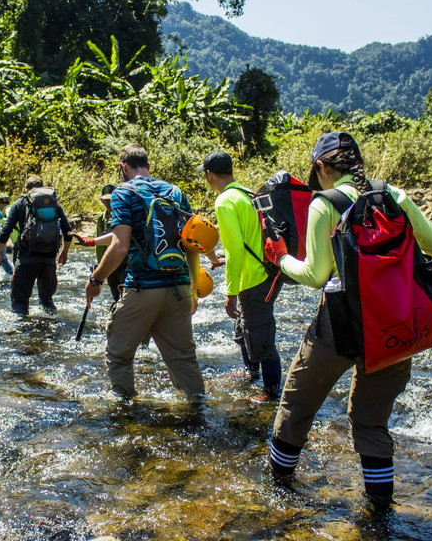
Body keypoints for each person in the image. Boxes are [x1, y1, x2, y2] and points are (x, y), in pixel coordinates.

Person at [263, 132, 432, 504]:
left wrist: (281, 257)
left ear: (321, 167)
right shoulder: (393, 195)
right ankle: (380, 512)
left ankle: (277, 492)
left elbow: (316, 276)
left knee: (297, 404)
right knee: (371, 420)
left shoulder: (324, 203)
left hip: (340, 324)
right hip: (396, 323)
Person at [84, 143, 205, 400]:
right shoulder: (176, 192)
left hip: (142, 287)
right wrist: (192, 289)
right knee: (183, 358)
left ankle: (125, 412)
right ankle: (197, 411)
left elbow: (119, 247)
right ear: (149, 166)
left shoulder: (123, 193)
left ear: (123, 167)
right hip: (179, 286)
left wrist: (96, 279)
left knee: (118, 354)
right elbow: (193, 243)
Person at [199, 150, 283, 402]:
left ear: (209, 174)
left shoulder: (225, 201)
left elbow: (236, 248)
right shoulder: (246, 193)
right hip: (267, 270)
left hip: (255, 279)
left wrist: (230, 292)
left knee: (261, 336)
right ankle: (251, 374)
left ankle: (271, 392)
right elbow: (246, 239)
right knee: (244, 329)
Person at [0, 175, 73, 316]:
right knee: (47, 303)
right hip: (49, 260)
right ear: (42, 187)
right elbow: (68, 231)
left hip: (26, 258)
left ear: (26, 189)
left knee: (19, 304)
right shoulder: (53, 203)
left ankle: (21, 334)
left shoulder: (20, 202)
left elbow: (5, 231)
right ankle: (51, 332)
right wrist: (64, 252)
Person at [74, 184, 128, 303]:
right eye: (106, 200)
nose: (109, 203)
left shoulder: (124, 215)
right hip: (109, 261)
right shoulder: (101, 219)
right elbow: (100, 244)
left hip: (125, 262)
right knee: (115, 292)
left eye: (111, 199)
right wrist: (100, 266)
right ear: (101, 200)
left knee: (125, 292)